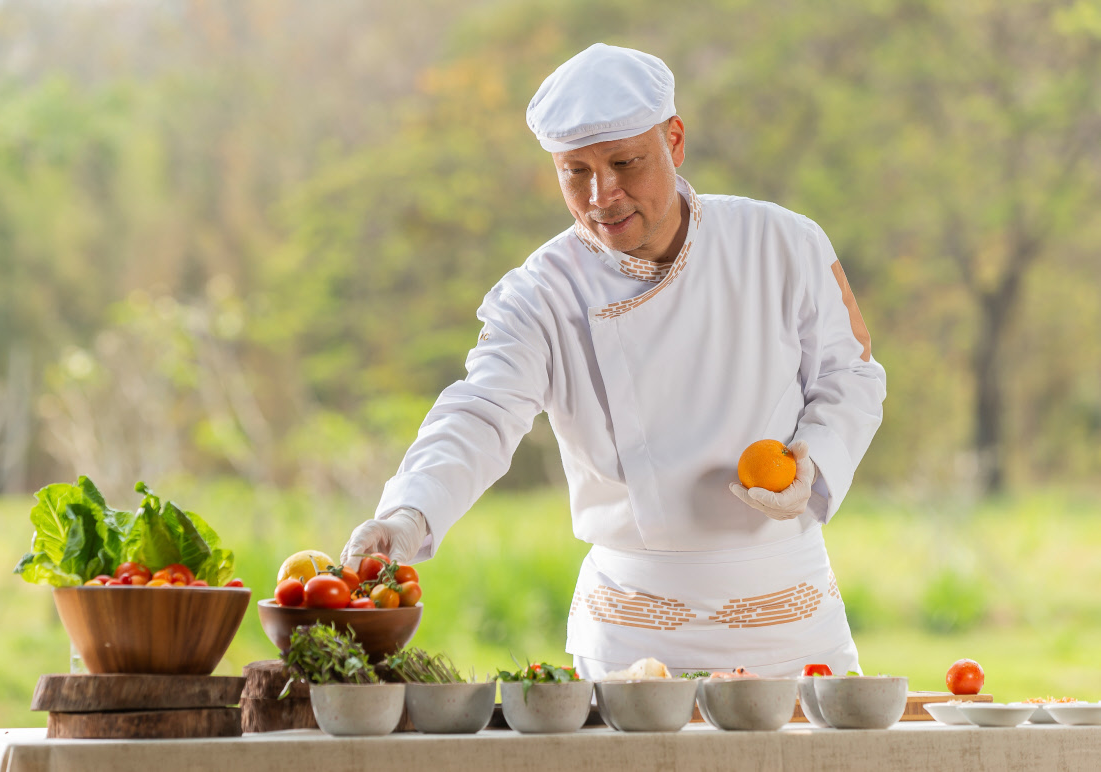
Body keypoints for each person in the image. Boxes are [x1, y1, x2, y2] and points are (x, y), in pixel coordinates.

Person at [340, 43, 886, 679]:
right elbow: (481, 411)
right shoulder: (542, 291)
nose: (603, 195)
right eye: (576, 172)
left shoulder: (783, 243)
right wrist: (410, 511)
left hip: (789, 622)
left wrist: (813, 465)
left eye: (625, 163)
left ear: (674, 141)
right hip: (631, 637)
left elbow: (851, 375)